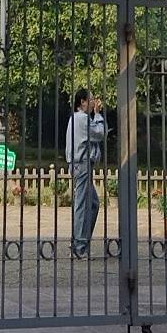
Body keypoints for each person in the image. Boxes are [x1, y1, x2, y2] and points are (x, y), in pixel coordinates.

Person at [66, 87, 107, 257]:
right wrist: (98, 114)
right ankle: (79, 246)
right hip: (82, 164)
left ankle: (81, 241)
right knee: (82, 204)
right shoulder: (82, 119)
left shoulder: (76, 118)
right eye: (90, 99)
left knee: (93, 203)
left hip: (79, 164)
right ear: (82, 102)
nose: (93, 102)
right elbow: (100, 133)